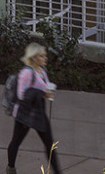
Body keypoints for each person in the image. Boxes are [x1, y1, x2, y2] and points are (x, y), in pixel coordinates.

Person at [5, 41, 62, 174]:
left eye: (45, 55)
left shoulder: (43, 71)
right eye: (42, 56)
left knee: (50, 144)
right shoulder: (26, 73)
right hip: (25, 112)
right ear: (34, 57)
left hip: (39, 111)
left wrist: (47, 93)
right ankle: (10, 168)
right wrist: (41, 93)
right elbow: (21, 95)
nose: (45, 58)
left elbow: (44, 87)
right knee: (15, 142)